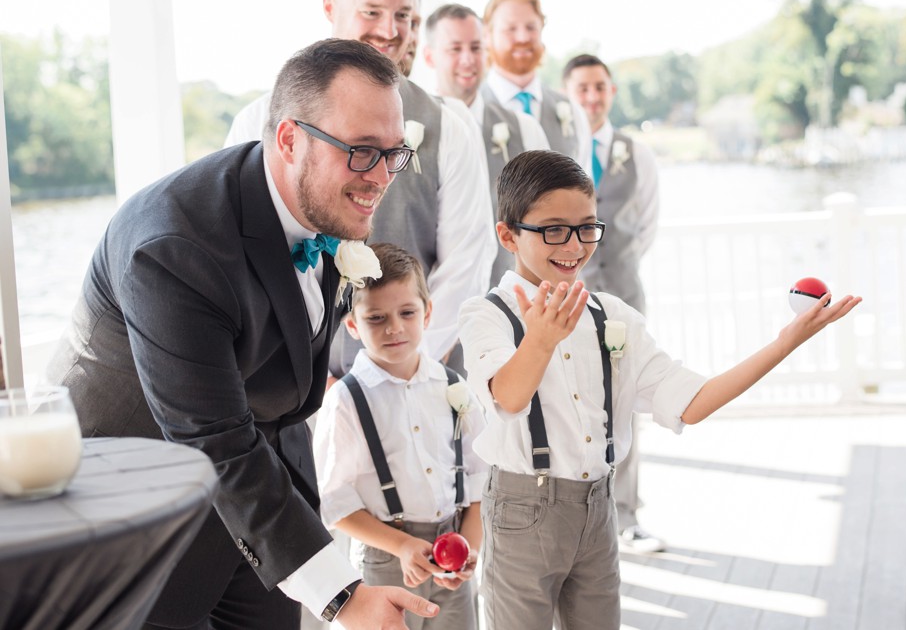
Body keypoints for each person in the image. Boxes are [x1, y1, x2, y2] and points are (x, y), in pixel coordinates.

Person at [46, 39, 440, 630]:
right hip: (139, 516)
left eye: (394, 153)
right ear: (288, 139)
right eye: (361, 152)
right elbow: (213, 438)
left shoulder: (328, 203)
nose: (381, 178)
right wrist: (341, 595)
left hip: (257, 502)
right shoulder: (175, 248)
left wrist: (313, 551)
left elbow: (281, 384)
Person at [458, 150, 861, 629]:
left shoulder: (612, 316)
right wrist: (541, 339)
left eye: (588, 227)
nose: (574, 244)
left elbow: (692, 404)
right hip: (522, 513)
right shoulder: (487, 315)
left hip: (597, 510)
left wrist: (785, 343)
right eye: (553, 229)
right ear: (508, 234)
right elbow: (507, 396)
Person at [225, 0, 495, 376]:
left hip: (417, 381)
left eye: (403, 15)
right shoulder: (259, 121)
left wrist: (394, 370)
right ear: (331, 9)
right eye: (372, 12)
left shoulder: (450, 127)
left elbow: (466, 266)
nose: (390, 31)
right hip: (290, 390)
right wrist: (310, 383)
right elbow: (238, 259)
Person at [314, 242, 487, 630]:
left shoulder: (454, 386)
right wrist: (401, 546)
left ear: (427, 312)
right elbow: (335, 505)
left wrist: (470, 548)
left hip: (452, 555)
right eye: (376, 318)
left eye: (407, 312)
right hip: (385, 559)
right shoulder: (346, 401)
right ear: (353, 325)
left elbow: (477, 484)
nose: (394, 328)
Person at [563, 53, 664, 552]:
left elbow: (645, 225)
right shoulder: (555, 149)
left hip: (622, 293)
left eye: (600, 87)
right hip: (564, 297)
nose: (592, 97)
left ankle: (627, 514)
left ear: (612, 92)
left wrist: (615, 269)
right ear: (567, 94)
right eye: (582, 88)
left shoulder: (635, 152)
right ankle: (583, 517)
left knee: (624, 402)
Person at [423, 3, 549, 284]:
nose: (468, 59)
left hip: (513, 308)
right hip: (431, 311)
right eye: (455, 49)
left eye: (476, 48)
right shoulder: (410, 129)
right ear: (429, 56)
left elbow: (547, 218)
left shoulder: (525, 130)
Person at [480, 0, 591, 173]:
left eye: (531, 27)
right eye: (511, 29)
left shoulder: (573, 112)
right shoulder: (469, 110)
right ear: (487, 36)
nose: (523, 38)